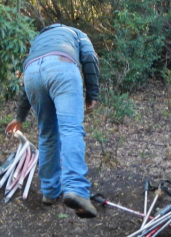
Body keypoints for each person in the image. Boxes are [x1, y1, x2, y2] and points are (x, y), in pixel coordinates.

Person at [5, 24, 100, 218]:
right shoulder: (77, 33)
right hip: (62, 67)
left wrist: (20, 117)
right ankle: (76, 189)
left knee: (47, 134)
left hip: (31, 76)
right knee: (71, 129)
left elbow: (29, 82)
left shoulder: (39, 41)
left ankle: (49, 192)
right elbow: (90, 57)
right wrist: (92, 94)